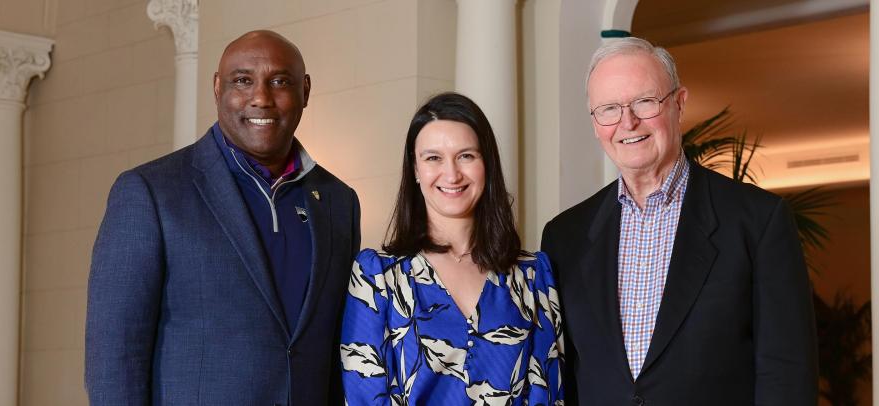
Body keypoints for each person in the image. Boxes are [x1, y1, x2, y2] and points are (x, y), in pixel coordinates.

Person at [85, 30, 360, 405]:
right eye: (242, 81)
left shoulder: (338, 201)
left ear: (305, 91)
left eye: (279, 81)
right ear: (218, 88)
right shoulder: (151, 191)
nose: (261, 98)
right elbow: (114, 355)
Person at [540, 37, 817, 405]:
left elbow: (786, 375)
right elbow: (562, 374)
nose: (628, 122)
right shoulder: (564, 236)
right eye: (608, 109)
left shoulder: (758, 222)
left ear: (679, 104)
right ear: (595, 123)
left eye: (644, 101)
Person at [340, 92, 564, 405]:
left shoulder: (532, 275)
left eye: (466, 156)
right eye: (433, 158)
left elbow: (549, 393)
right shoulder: (377, 277)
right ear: (416, 170)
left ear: (487, 164)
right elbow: (363, 395)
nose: (452, 174)